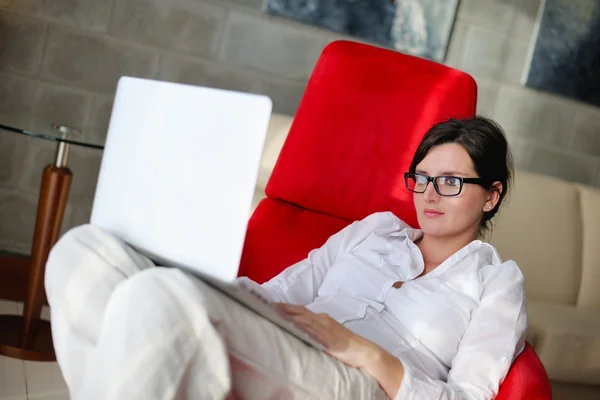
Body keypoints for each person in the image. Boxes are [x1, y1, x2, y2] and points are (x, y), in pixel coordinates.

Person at [45, 116, 526, 400]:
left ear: (490, 195)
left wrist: (366, 352)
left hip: (358, 381)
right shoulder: (377, 229)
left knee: (158, 297)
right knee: (83, 252)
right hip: (288, 335)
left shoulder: (497, 283)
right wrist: (205, 278)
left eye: (450, 181)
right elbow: (280, 291)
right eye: (421, 178)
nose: (428, 194)